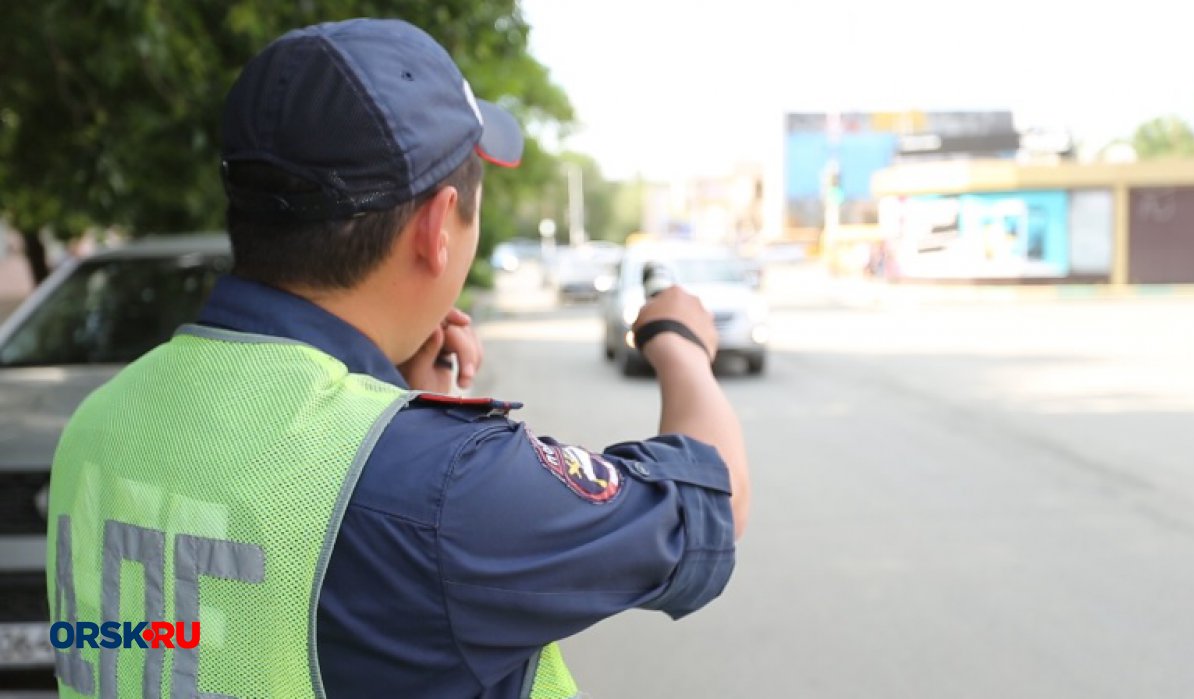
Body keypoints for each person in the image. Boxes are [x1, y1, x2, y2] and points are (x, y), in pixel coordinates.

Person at [45, 18, 750, 699]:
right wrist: (679, 342)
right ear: (439, 227)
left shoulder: (102, 421)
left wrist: (391, 404)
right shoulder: (442, 486)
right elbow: (709, 503)